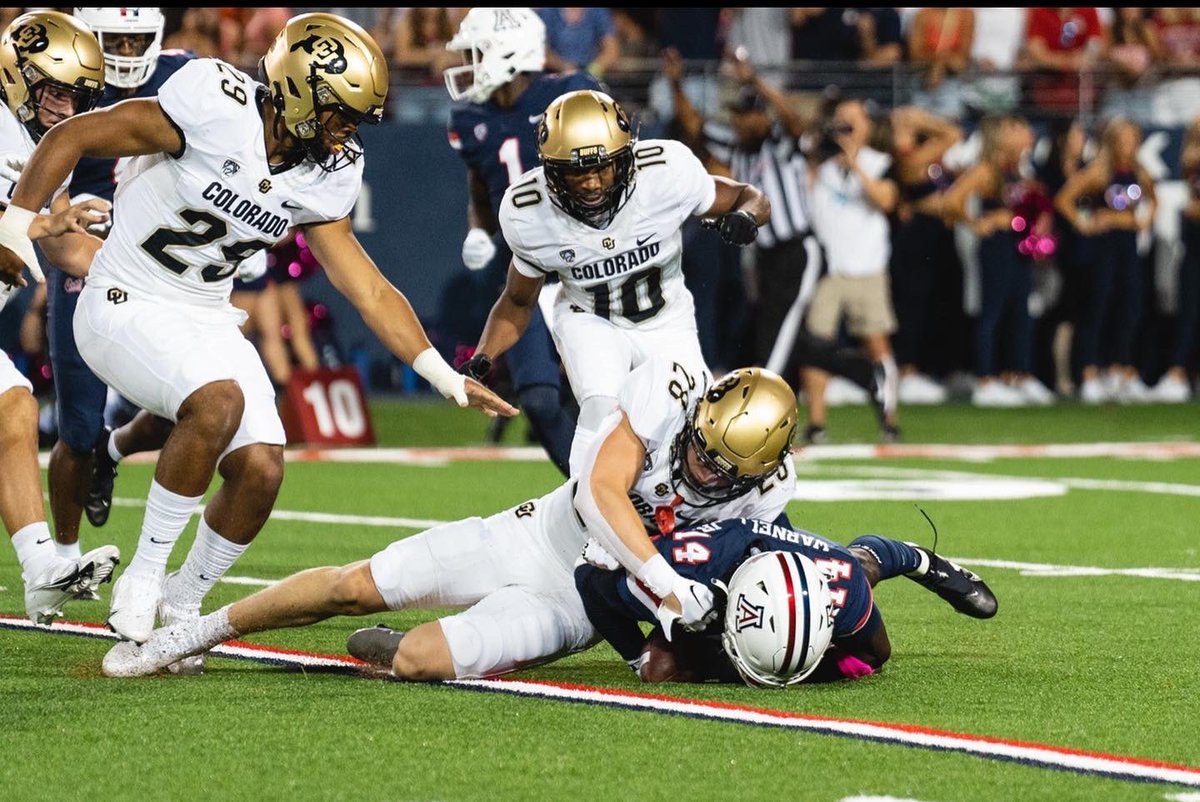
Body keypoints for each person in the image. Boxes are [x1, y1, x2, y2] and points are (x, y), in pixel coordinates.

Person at [0, 13, 516, 657]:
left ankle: (181, 608)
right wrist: (15, 227)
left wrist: (442, 373)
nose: (347, 133)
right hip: (125, 295)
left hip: (206, 312)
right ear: (298, 91)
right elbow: (72, 134)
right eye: (339, 113)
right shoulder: (214, 104)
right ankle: (144, 577)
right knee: (219, 400)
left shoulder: (328, 170)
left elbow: (368, 286)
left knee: (263, 468)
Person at [99, 360, 804, 679]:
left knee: (421, 660)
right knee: (353, 583)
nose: (704, 473)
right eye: (702, 452)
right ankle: (193, 632)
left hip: (581, 606)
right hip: (536, 535)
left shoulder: (770, 491)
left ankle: (389, 646)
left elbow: (745, 574)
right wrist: (664, 580)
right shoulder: (666, 389)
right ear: (700, 411)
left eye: (725, 472)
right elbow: (601, 494)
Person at [473, 88, 770, 475]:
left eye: (602, 167)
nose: (593, 183)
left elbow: (748, 196)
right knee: (601, 413)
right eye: (577, 171)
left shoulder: (666, 174)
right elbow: (517, 301)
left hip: (666, 319)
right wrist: (480, 359)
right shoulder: (528, 212)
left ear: (627, 158)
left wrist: (746, 218)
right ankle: (592, 520)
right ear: (552, 171)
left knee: (701, 434)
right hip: (590, 318)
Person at [43, 8, 192, 569]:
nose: (128, 50)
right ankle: (61, 556)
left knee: (193, 406)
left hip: (162, 264)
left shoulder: (186, 77)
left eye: (137, 38)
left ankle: (116, 449)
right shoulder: (64, 81)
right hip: (88, 254)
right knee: (77, 423)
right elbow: (41, 174)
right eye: (116, 39)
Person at [0, 9, 125, 624]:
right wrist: (25, 225)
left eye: (75, 91)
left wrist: (159, 278)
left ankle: (41, 570)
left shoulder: (53, 147)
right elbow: (23, 234)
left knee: (14, 403)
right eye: (52, 87)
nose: (64, 102)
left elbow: (65, 247)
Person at [444, 7, 601, 477]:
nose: (468, 64)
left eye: (476, 53)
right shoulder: (470, 116)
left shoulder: (569, 94)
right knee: (537, 398)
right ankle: (596, 496)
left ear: (507, 53)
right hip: (525, 276)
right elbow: (480, 188)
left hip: (585, 268)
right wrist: (477, 228)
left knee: (608, 393)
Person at [577, 516, 997, 684]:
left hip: (797, 555)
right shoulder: (689, 568)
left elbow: (873, 653)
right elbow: (589, 581)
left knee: (870, 652)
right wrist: (636, 655)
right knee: (659, 669)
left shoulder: (840, 585)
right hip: (708, 548)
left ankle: (911, 556)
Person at [925, 114, 1057, 407]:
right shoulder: (986, 169)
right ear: (999, 135)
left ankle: (1018, 374)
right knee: (992, 312)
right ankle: (985, 379)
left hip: (1018, 246)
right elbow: (951, 201)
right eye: (1016, 127)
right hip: (996, 247)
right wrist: (978, 222)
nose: (1025, 132)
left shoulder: (1018, 169)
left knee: (1020, 312)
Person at [803, 96, 901, 445]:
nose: (844, 126)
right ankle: (816, 423)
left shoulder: (880, 163)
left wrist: (855, 162)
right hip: (830, 271)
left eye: (852, 120)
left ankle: (889, 419)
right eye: (839, 120)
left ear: (867, 126)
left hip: (868, 269)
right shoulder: (823, 168)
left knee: (877, 344)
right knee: (816, 345)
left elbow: (885, 200)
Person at [1055, 116, 1157, 403]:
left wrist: (1146, 218)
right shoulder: (1099, 173)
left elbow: (1153, 200)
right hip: (1104, 249)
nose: (1129, 145)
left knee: (1132, 308)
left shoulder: (1139, 172)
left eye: (1133, 139)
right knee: (1098, 308)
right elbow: (1064, 200)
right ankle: (1088, 373)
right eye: (1124, 139)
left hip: (1129, 249)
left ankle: (1119, 370)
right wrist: (1085, 221)